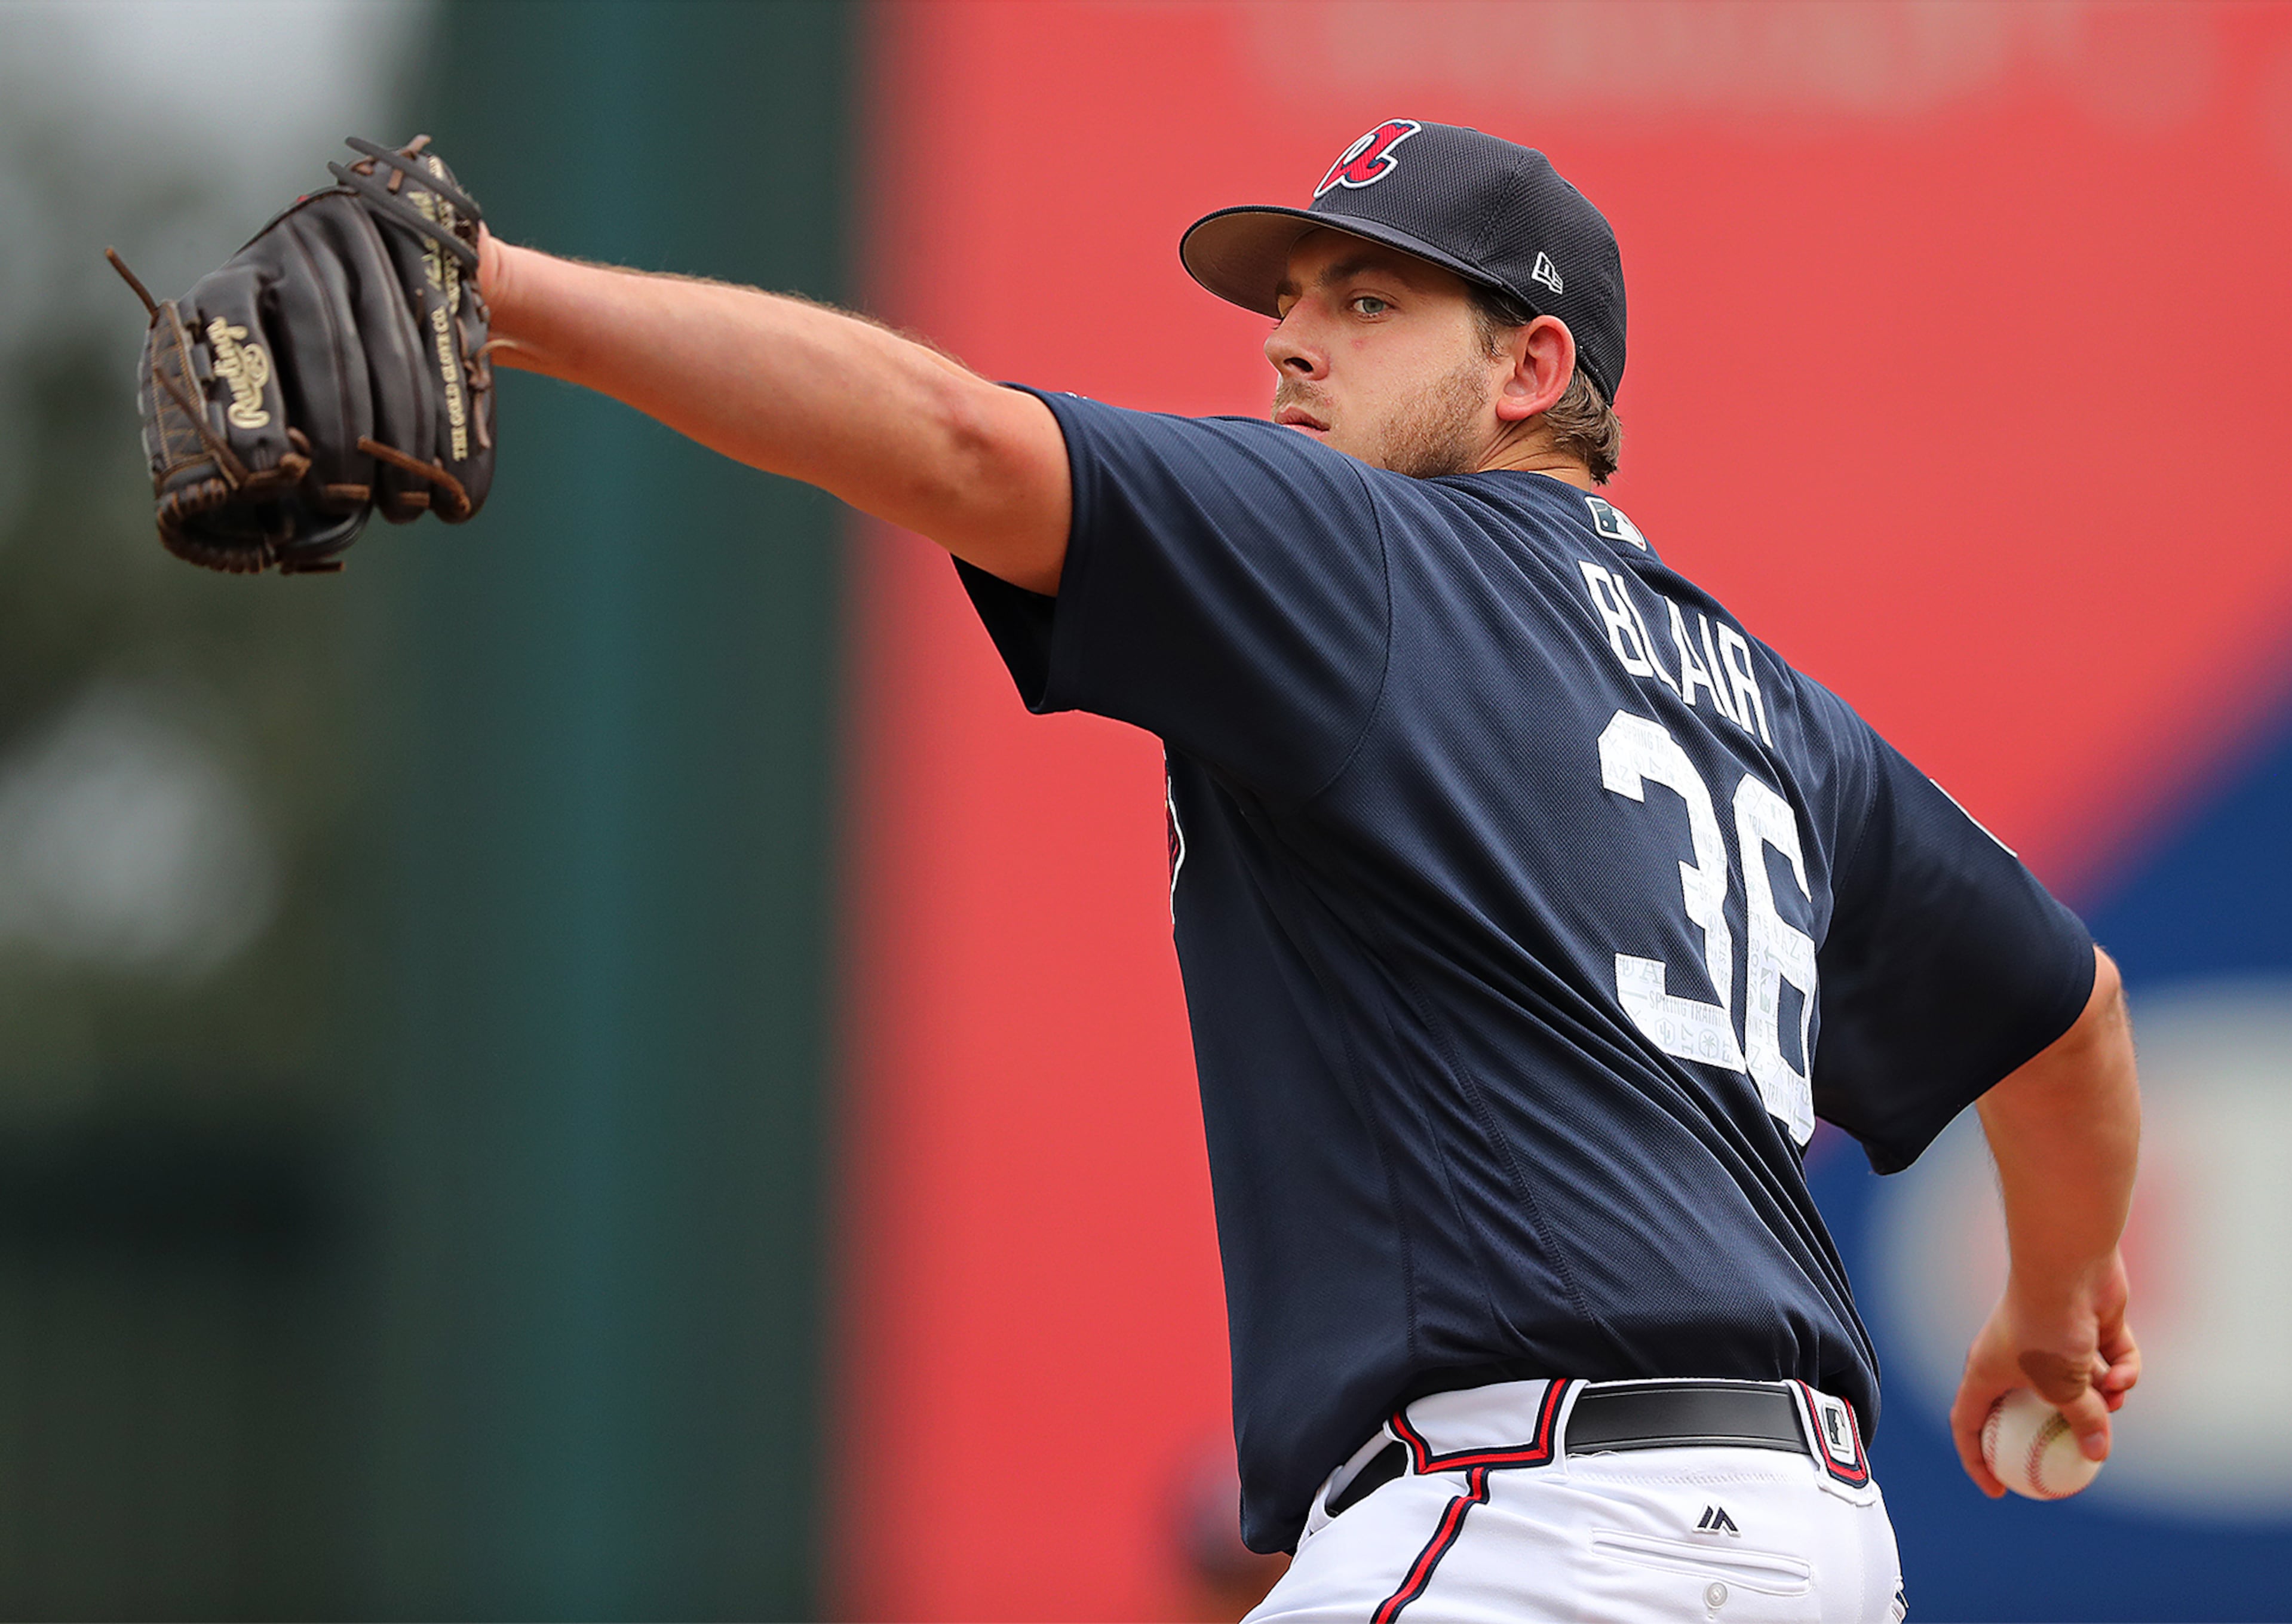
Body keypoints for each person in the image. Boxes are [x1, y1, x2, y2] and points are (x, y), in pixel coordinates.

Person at [474, 119, 2140, 1621]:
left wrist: (496, 294)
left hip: (1541, 1531)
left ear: (1529, 366)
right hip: (1815, 1543)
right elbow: (2070, 1014)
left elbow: (962, 448)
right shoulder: (1782, 719)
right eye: (1287, 304)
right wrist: (2059, 1301)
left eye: (1363, 303)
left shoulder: (1370, 553)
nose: (1285, 345)